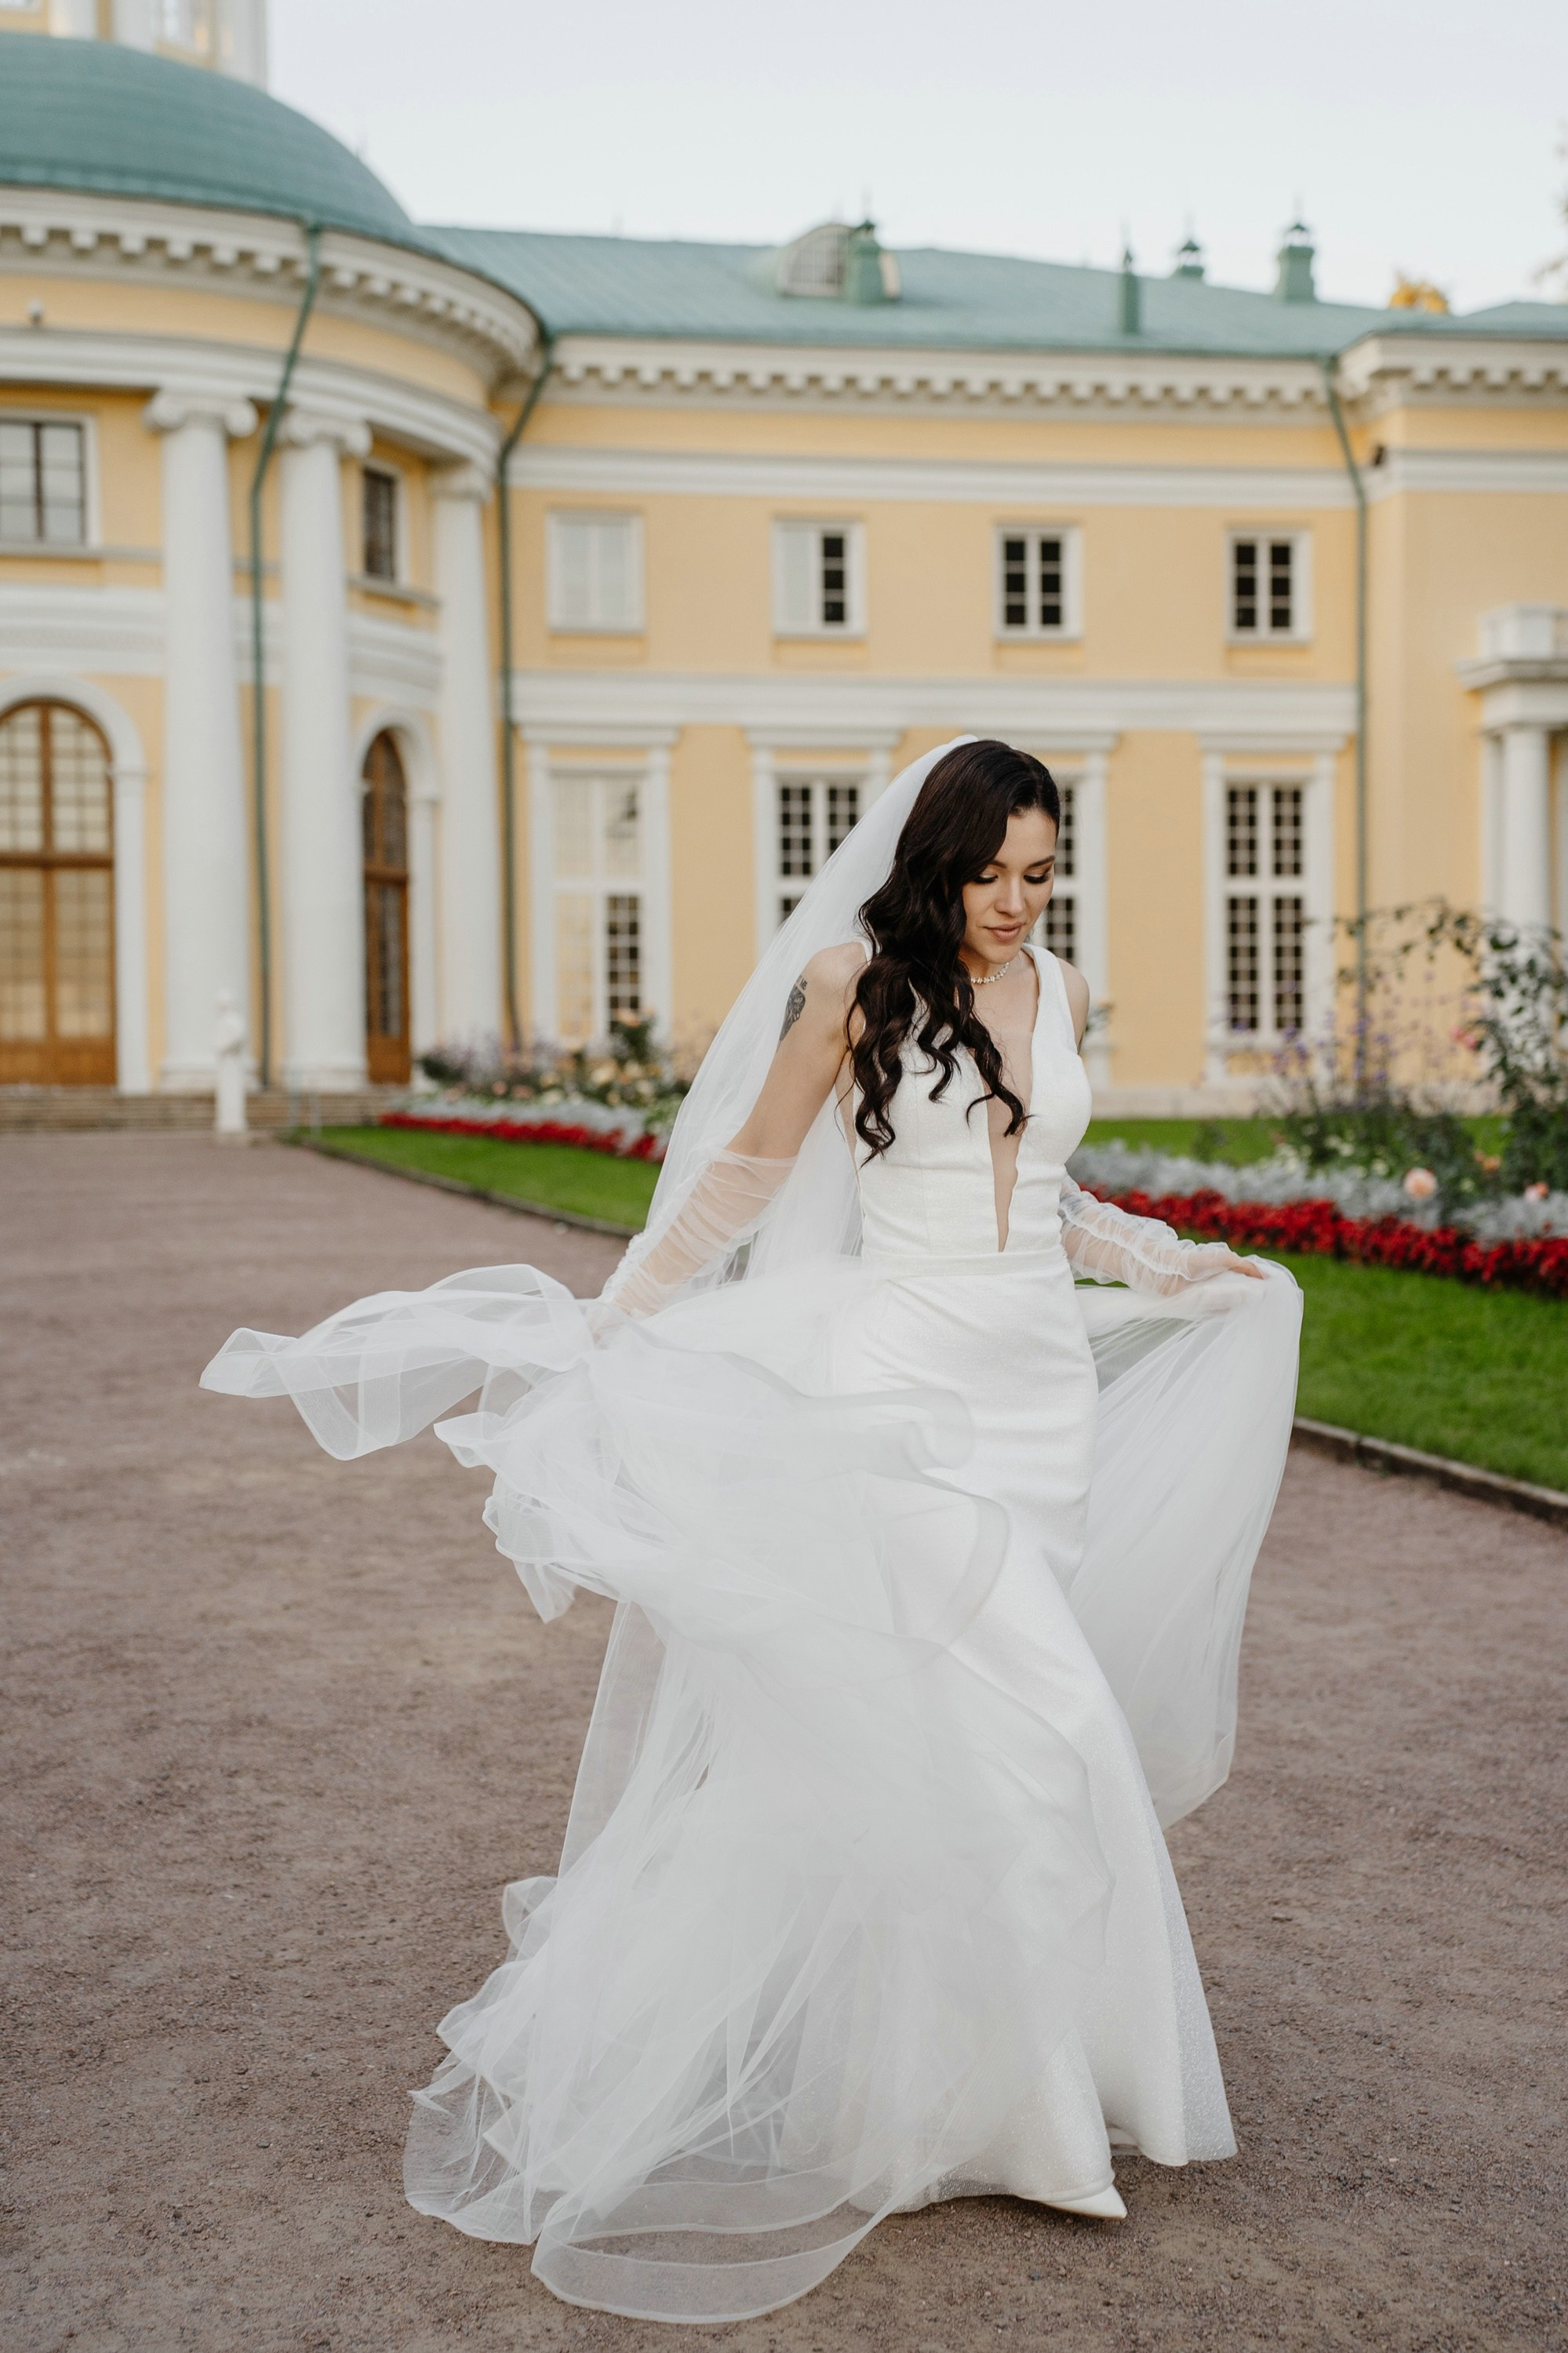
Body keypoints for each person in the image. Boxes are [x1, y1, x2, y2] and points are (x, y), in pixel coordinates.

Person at [203, 737, 1301, 2326]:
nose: (1013, 903)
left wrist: (1154, 1258)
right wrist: (617, 1314)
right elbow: (748, 1175)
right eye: (989, 874)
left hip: (1033, 1395)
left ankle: (929, 2096)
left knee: (975, 1754)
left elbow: (1037, 1181)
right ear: (936, 863)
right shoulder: (854, 984)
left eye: (1040, 875)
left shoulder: (1054, 992)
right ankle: (1027, 2120)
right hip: (898, 1401)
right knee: (1026, 1725)